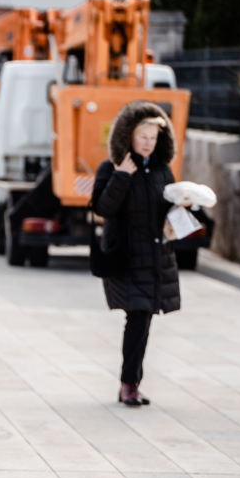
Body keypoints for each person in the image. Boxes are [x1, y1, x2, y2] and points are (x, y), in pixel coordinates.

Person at [91, 101, 188, 406]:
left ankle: (132, 382)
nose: (148, 143)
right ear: (128, 136)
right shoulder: (111, 168)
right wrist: (121, 175)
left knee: (144, 320)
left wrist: (182, 205)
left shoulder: (162, 170)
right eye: (143, 136)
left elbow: (164, 210)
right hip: (127, 258)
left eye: (153, 138)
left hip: (156, 257)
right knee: (138, 317)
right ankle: (129, 384)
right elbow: (103, 208)